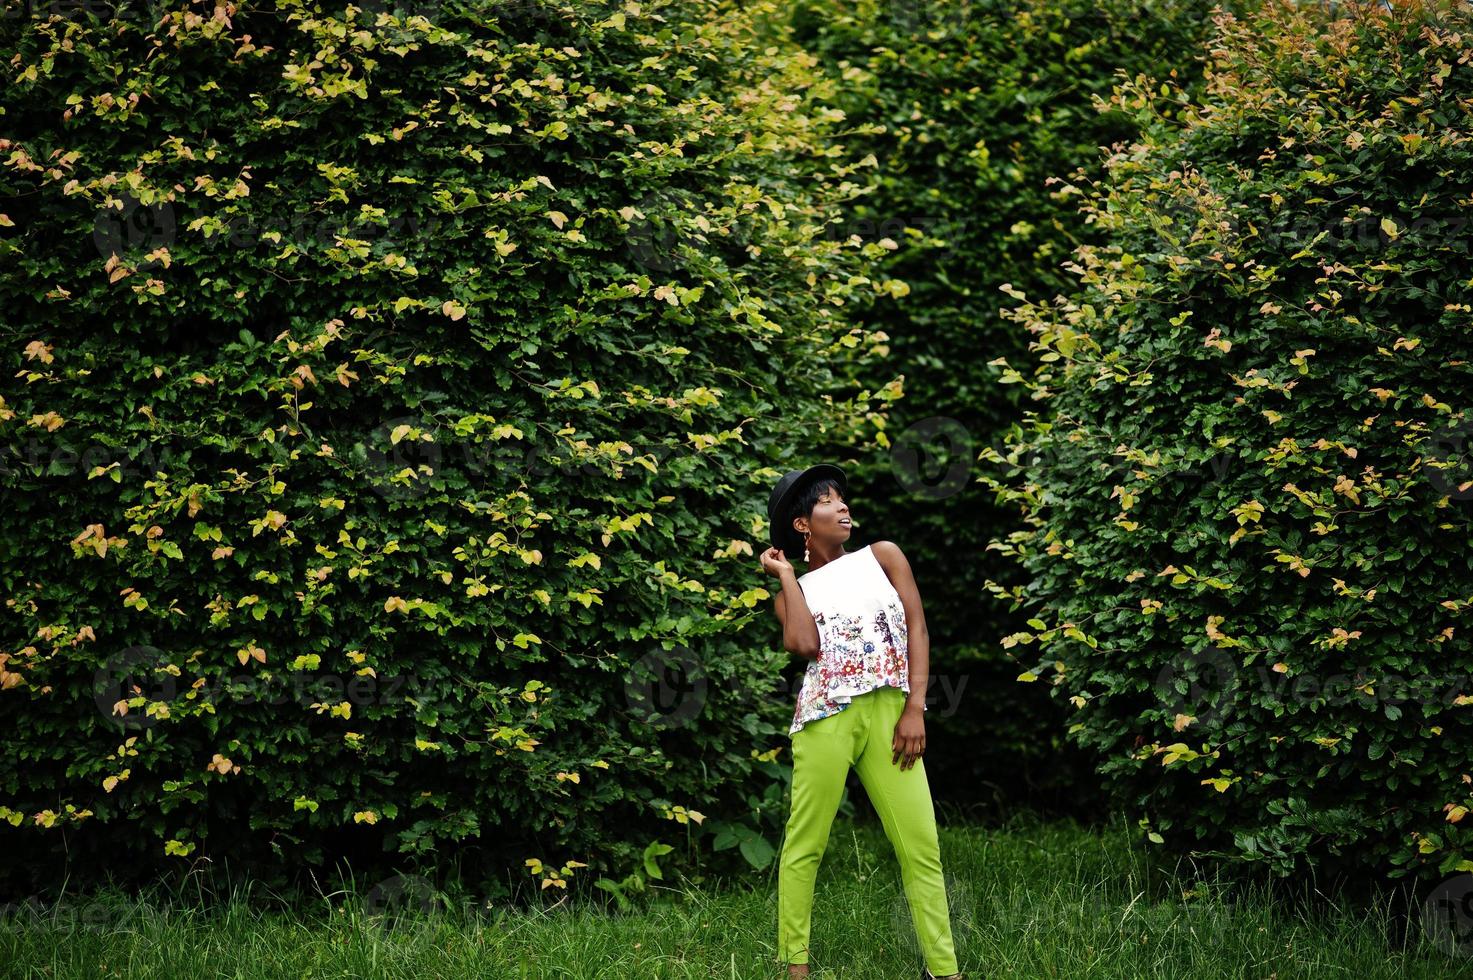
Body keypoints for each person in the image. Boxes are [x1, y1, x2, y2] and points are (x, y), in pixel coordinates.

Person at [761, 464, 966, 980]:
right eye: (829, 501)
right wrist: (787, 577)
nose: (843, 506)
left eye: (842, 498)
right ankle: (795, 970)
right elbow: (804, 646)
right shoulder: (796, 587)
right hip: (824, 717)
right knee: (804, 845)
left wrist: (914, 708)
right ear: (803, 523)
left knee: (921, 846)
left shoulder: (884, 556)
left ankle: (945, 971)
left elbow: (917, 626)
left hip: (891, 715)